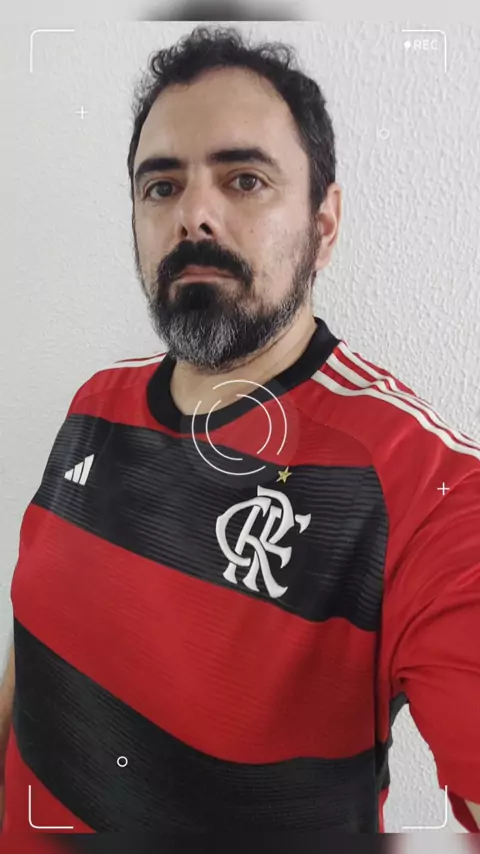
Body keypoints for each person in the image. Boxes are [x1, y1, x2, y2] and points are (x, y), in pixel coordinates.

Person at [1, 24, 480, 844]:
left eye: (245, 179)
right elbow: (34, 643)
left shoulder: (424, 488)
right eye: (161, 187)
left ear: (324, 223)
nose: (194, 215)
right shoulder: (94, 404)